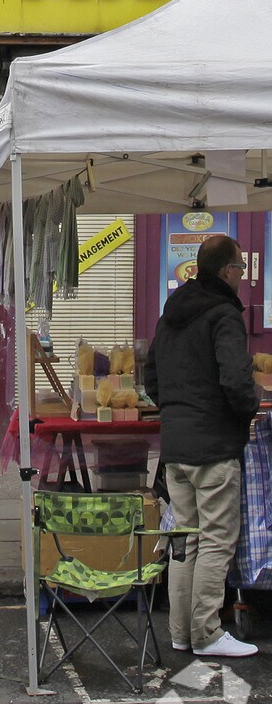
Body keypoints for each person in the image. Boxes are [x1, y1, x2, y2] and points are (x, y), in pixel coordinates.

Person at [144, 232, 260, 660]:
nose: (243, 278)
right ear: (228, 270)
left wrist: (176, 410)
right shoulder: (224, 315)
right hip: (212, 447)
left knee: (185, 539)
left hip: (175, 446)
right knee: (215, 539)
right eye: (241, 270)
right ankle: (208, 633)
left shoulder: (171, 312)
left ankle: (181, 632)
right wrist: (244, 413)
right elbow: (236, 380)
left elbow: (150, 377)